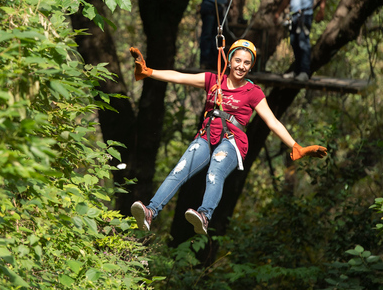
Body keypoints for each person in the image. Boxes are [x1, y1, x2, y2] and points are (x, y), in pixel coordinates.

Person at [128, 40, 328, 235]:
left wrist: (296, 146)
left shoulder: (253, 92)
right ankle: (150, 211)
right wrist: (149, 72)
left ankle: (205, 215)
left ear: (250, 67)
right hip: (206, 135)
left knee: (215, 169)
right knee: (180, 169)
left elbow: (272, 122)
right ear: (230, 61)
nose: (241, 66)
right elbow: (179, 77)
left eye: (247, 63)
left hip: (232, 141)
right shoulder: (213, 81)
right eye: (238, 61)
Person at [274, 0, 326, 82]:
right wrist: (278, 12)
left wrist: (321, 9)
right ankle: (296, 71)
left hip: (306, 13)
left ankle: (304, 72)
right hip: (293, 15)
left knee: (303, 42)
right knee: (294, 42)